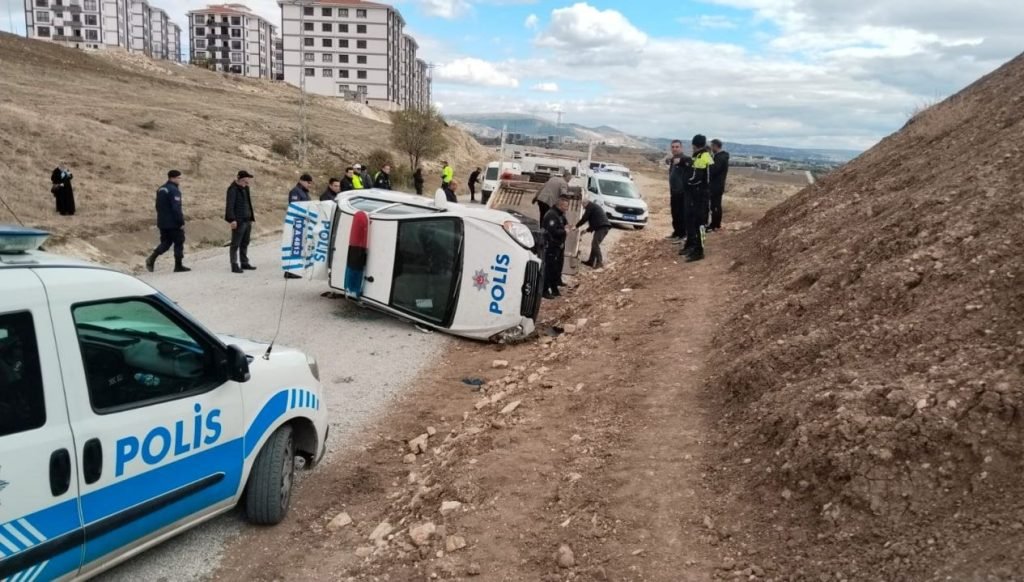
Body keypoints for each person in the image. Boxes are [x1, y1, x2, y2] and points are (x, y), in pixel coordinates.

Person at [145, 170, 190, 273]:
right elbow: (176, 208)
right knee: (179, 241)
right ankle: (178, 266)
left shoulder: (161, 189)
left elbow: (157, 206)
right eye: (179, 178)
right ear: (172, 178)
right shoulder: (174, 190)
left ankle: (152, 258)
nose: (180, 180)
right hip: (173, 222)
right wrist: (180, 222)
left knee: (166, 242)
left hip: (162, 221)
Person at [682, 135, 714, 262]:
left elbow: (696, 178)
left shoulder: (702, 157)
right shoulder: (705, 155)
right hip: (702, 194)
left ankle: (699, 250)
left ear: (694, 145)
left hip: (700, 195)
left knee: (700, 223)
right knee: (696, 222)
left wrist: (686, 182)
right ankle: (695, 246)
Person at [225, 170, 257, 274]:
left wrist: (251, 217)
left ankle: (244, 262)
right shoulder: (232, 189)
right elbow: (229, 206)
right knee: (235, 244)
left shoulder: (246, 188)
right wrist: (232, 219)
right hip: (238, 221)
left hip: (247, 220)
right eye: (246, 181)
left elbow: (248, 204)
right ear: (241, 179)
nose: (247, 183)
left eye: (247, 182)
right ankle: (234, 265)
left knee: (245, 243)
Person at [541, 196, 571, 299]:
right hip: (551, 245)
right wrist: (564, 231)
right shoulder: (552, 215)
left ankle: (554, 289)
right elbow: (552, 231)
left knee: (556, 268)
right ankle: (544, 290)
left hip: (558, 246)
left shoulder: (560, 215)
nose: (567, 209)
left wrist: (566, 228)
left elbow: (565, 224)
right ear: (560, 205)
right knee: (549, 269)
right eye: (565, 206)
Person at [577, 196, 611, 269]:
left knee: (595, 244)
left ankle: (600, 262)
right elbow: (595, 223)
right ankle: (591, 261)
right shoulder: (592, 207)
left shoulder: (590, 207)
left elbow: (584, 218)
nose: (583, 207)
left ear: (585, 203)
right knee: (594, 244)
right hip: (601, 227)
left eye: (583, 205)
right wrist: (586, 230)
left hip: (603, 227)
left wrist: (576, 226)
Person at [667, 140, 689, 241]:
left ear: (681, 148)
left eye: (677, 147)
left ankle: (682, 234)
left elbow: (690, 163)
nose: (675, 149)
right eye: (673, 147)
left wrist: (681, 162)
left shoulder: (684, 159)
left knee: (681, 213)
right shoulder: (673, 160)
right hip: (674, 191)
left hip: (682, 192)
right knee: (675, 213)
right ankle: (676, 232)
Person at [708, 139, 730, 231]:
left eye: (712, 146)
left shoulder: (720, 158)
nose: (711, 148)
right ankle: (715, 224)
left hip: (716, 186)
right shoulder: (720, 157)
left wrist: (709, 163)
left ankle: (715, 225)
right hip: (716, 185)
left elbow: (714, 170)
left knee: (715, 206)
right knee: (715, 205)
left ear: (716, 146)